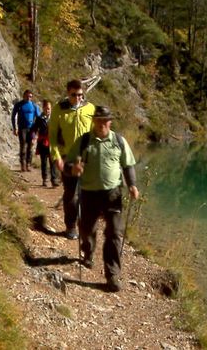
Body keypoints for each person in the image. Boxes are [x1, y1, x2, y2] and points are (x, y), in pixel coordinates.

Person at [64, 106, 139, 292]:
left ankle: (112, 274)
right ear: (93, 121)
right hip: (89, 193)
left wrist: (132, 185)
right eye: (98, 120)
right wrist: (73, 169)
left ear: (110, 122)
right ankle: (88, 252)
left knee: (114, 233)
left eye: (105, 120)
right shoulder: (83, 142)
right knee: (87, 229)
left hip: (112, 193)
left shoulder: (119, 141)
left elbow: (128, 165)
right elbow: (67, 165)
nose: (101, 124)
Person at [49, 79, 95, 240]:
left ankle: (87, 226)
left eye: (80, 95)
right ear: (68, 93)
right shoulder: (59, 109)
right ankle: (70, 226)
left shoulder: (90, 109)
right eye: (74, 95)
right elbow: (52, 136)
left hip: (87, 158)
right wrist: (56, 157)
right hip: (67, 157)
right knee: (71, 194)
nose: (78, 98)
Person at [30, 100, 59, 187]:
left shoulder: (54, 118)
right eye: (46, 108)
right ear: (43, 108)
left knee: (53, 161)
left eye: (49, 109)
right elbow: (34, 129)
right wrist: (33, 138)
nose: (47, 110)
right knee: (44, 162)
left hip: (52, 143)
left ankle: (54, 180)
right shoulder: (39, 119)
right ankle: (44, 179)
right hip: (42, 143)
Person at [11, 89, 40, 172]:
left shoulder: (34, 106)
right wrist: (14, 128)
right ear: (23, 96)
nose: (28, 98)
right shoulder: (19, 105)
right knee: (23, 145)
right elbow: (13, 116)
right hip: (22, 128)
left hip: (32, 129)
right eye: (27, 96)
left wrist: (37, 131)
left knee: (30, 146)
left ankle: (28, 164)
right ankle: (23, 164)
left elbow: (39, 119)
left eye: (30, 96)